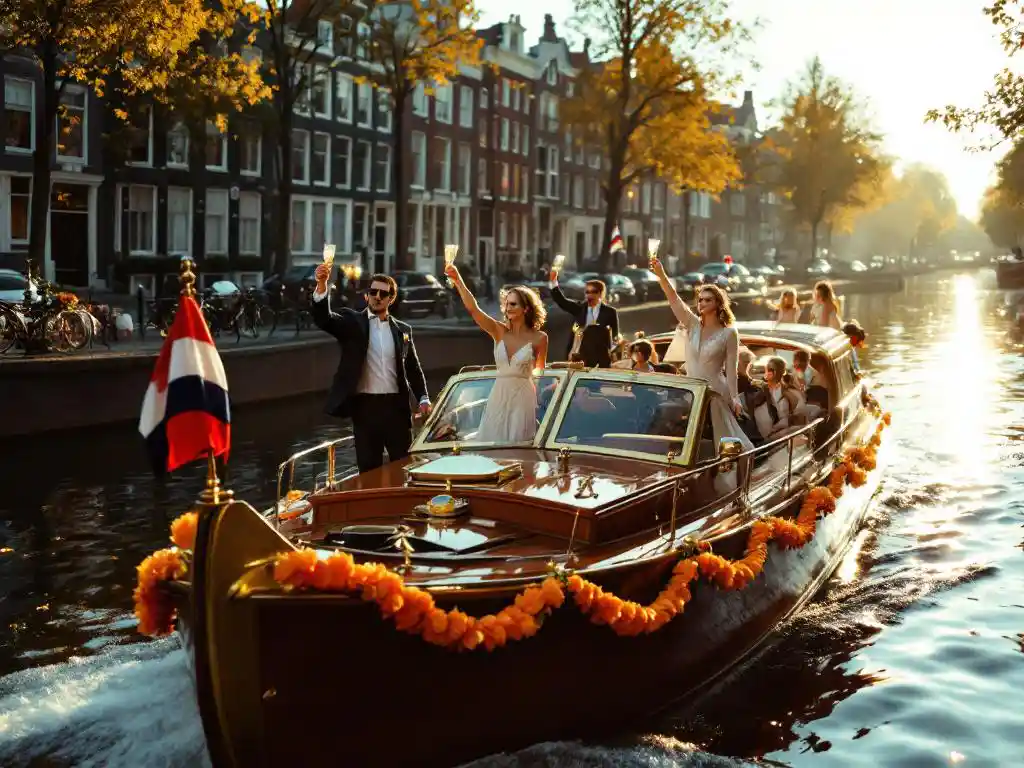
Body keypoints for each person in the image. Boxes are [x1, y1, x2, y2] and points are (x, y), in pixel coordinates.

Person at [311, 265, 431, 473]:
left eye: (383, 294)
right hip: (365, 408)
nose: (377, 297)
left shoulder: (403, 330)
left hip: (397, 409)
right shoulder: (352, 323)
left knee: (402, 467)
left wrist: (423, 398)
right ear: (366, 297)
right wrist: (322, 285)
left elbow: (413, 368)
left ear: (391, 299)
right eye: (372, 292)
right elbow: (325, 320)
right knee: (368, 469)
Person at [650, 255, 754, 455]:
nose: (702, 303)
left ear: (718, 303)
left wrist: (734, 397)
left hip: (715, 392)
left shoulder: (729, 333)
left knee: (722, 445)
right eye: (700, 300)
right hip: (690, 390)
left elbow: (731, 369)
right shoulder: (692, 324)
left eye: (708, 300)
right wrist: (661, 274)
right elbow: (673, 298)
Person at [446, 263, 548, 443]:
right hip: (498, 393)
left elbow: (539, 372)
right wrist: (458, 281)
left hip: (523, 396)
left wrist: (537, 397)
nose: (508, 308)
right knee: (491, 441)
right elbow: (474, 310)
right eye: (506, 303)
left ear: (526, 309)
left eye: (513, 304)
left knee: (518, 445)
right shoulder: (498, 331)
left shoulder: (540, 338)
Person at [549, 270, 619, 359]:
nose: (590, 295)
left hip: (601, 355)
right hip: (579, 354)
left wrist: (612, 352)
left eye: (594, 291)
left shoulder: (610, 312)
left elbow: (615, 336)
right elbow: (561, 300)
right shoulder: (579, 308)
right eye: (587, 292)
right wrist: (553, 282)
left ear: (600, 293)